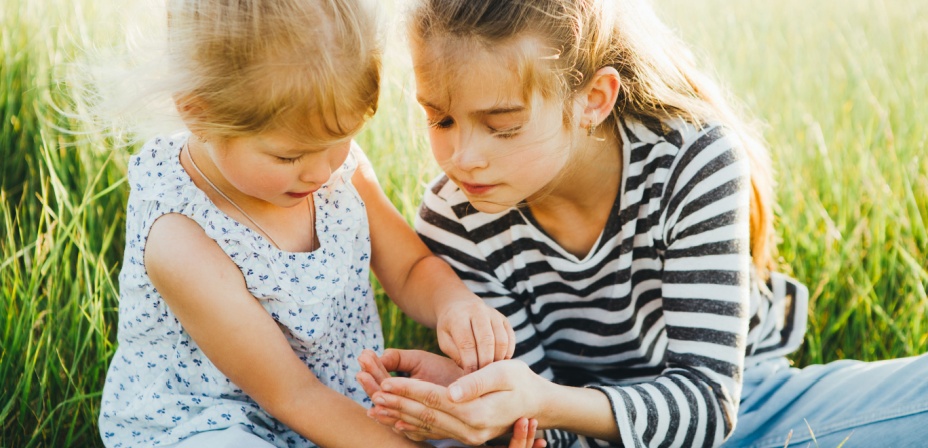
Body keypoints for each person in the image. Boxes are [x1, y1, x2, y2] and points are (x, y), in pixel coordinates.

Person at [357, 1, 928, 447]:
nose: (462, 157)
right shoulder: (456, 217)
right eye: (441, 118)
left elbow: (709, 406)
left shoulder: (691, 162)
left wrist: (538, 402)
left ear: (593, 99)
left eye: (501, 125)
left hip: (743, 408)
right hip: (577, 421)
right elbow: (546, 432)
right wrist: (481, 406)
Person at [93, 1, 537, 446]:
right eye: (289, 156)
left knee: (464, 415)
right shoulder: (181, 240)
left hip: (341, 400)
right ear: (199, 113)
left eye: (341, 140)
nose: (321, 173)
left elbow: (408, 268)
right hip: (218, 418)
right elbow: (293, 396)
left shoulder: (334, 169)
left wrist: (453, 304)